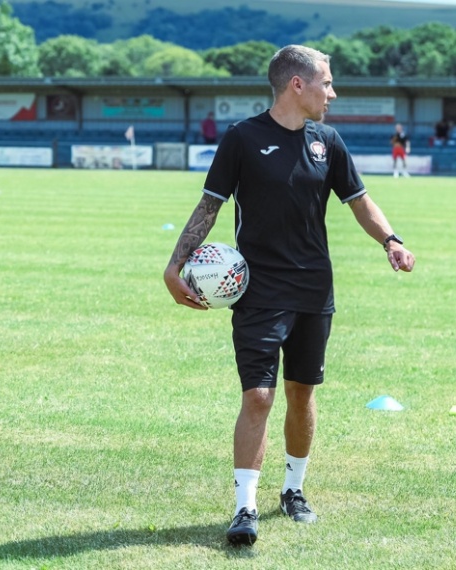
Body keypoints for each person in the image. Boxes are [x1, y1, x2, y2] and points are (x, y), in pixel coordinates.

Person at [163, 44, 415, 547]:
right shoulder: (242, 139)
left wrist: (391, 239)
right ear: (296, 85)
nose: (332, 92)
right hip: (258, 290)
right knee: (258, 395)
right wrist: (175, 267)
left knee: (302, 393)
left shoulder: (329, 141)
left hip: (313, 290)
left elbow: (359, 202)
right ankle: (244, 507)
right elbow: (209, 207)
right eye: (326, 82)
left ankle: (294, 490)